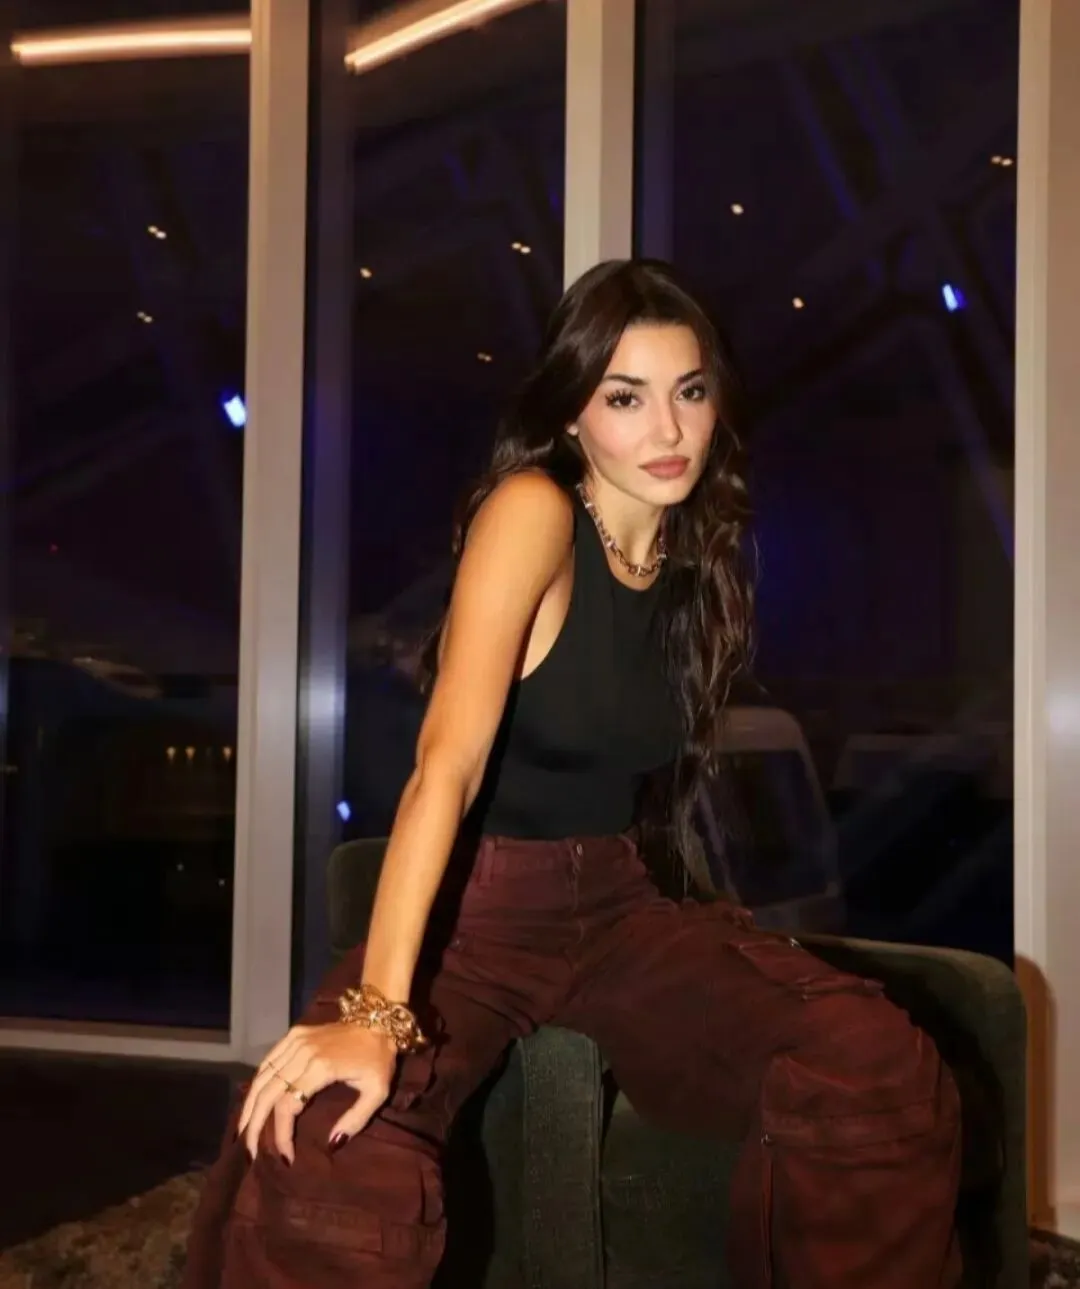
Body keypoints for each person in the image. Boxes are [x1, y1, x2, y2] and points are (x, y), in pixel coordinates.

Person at [183, 260, 961, 1289]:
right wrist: (375, 1012)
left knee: (874, 1059)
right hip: (478, 910)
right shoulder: (534, 510)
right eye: (625, 397)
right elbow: (445, 766)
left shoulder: (692, 559)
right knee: (333, 1133)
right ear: (572, 413)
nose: (668, 428)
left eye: (689, 390)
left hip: (619, 907)